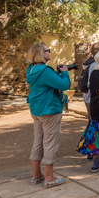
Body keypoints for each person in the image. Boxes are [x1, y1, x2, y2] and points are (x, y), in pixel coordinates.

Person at [26, 42, 70, 188]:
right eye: (47, 50)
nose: (49, 52)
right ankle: (49, 178)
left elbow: (46, 84)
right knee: (51, 142)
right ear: (41, 54)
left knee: (38, 140)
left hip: (36, 110)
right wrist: (64, 72)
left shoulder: (31, 69)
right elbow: (63, 85)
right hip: (49, 110)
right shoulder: (45, 70)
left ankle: (36, 175)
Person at [81, 42, 99, 161]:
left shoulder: (89, 64)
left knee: (92, 123)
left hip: (88, 97)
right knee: (94, 125)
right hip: (94, 99)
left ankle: (92, 150)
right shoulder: (96, 65)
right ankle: (92, 151)